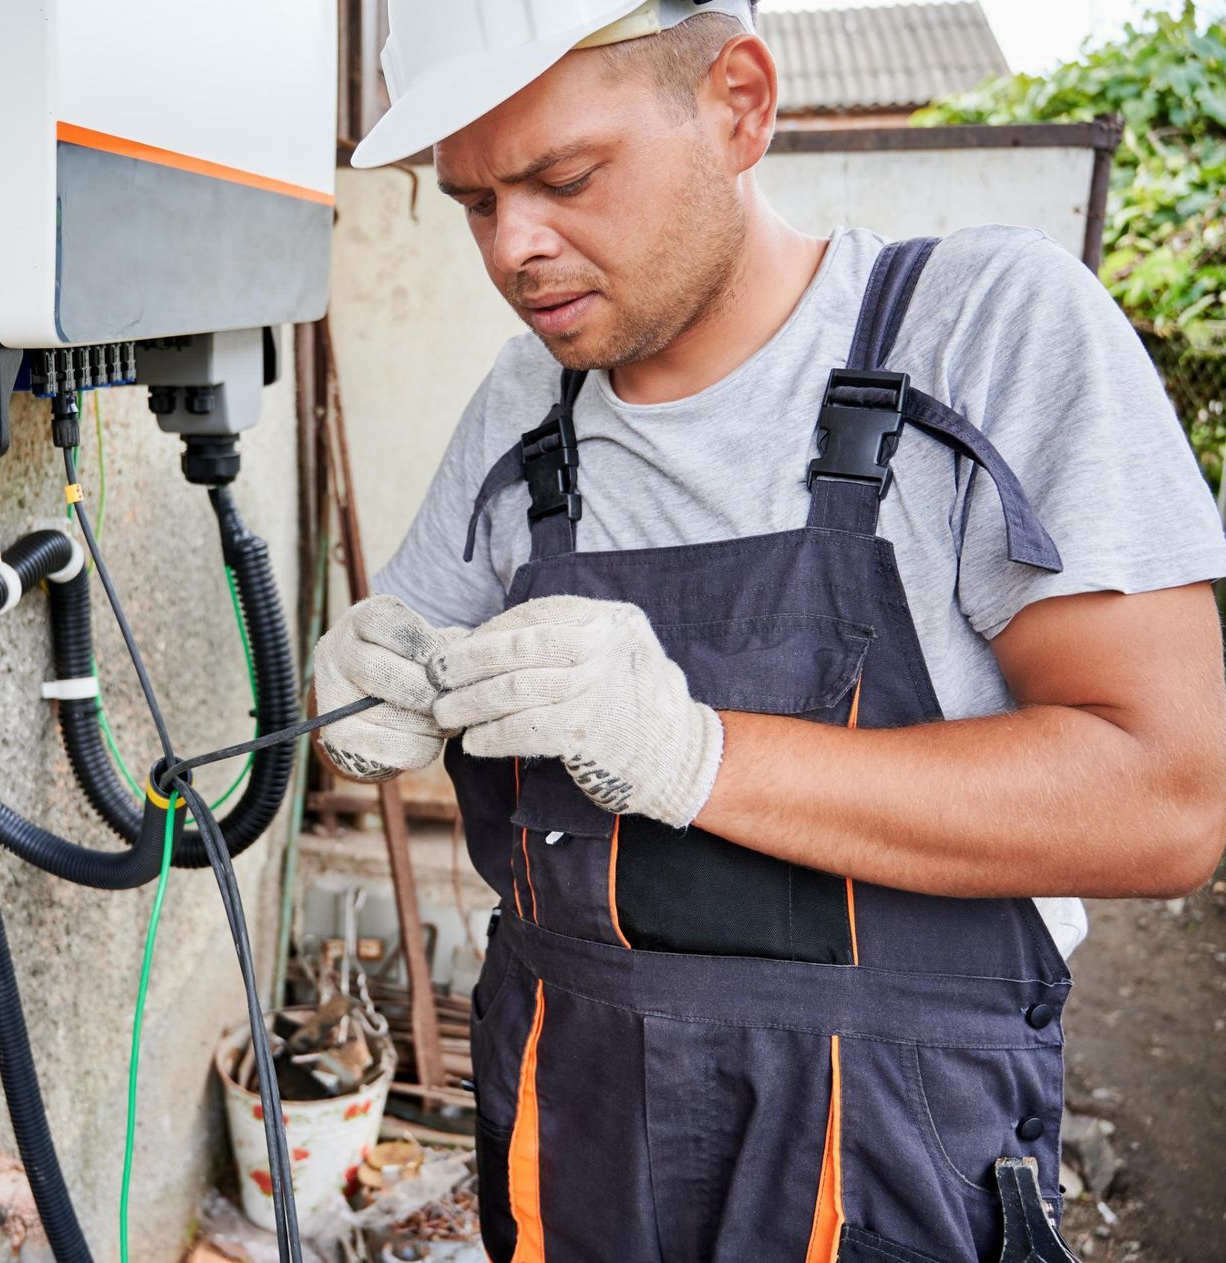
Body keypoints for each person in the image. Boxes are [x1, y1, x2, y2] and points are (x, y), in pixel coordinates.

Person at [313, 2, 1226, 1259]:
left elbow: (1166, 798)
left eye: (564, 177)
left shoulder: (979, 331)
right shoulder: (527, 409)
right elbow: (403, 672)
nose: (515, 248)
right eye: (474, 201)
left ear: (739, 102)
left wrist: (694, 757)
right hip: (572, 1127)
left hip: (885, 1157)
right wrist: (372, 694)